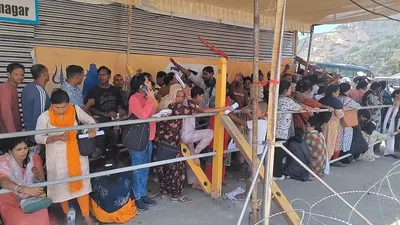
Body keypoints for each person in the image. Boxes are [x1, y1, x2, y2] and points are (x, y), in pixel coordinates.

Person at [35, 89, 97, 225]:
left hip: (77, 156)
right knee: (62, 187)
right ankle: (66, 214)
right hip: (57, 159)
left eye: (64, 107)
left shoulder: (75, 110)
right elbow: (38, 137)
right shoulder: (44, 117)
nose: (62, 110)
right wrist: (54, 138)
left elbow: (91, 121)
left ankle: (86, 216)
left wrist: (92, 129)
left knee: (82, 185)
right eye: (58, 107)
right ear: (51, 104)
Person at [0, 138, 56, 225]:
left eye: (25, 148)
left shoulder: (34, 157)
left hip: (31, 196)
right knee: (21, 222)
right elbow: (3, 181)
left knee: (41, 218)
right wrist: (23, 189)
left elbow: (41, 180)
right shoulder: (4, 160)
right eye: (19, 149)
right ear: (10, 152)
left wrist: (37, 174)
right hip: (10, 197)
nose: (24, 152)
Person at [182, 86, 228, 189]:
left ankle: (192, 181)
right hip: (187, 135)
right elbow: (203, 110)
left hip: (187, 134)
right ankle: (196, 153)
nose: (202, 99)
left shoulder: (188, 103)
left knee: (190, 158)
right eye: (201, 96)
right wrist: (222, 109)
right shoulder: (190, 103)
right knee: (210, 133)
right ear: (197, 96)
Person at [156, 89, 194, 204]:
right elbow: (192, 109)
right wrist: (189, 96)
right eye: (178, 96)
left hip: (161, 142)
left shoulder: (164, 103)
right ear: (173, 96)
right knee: (176, 169)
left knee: (164, 167)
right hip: (170, 143)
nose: (180, 99)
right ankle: (176, 195)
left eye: (182, 97)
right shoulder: (175, 106)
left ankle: (165, 192)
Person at [128, 74, 158, 211]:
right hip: (138, 139)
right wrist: (151, 99)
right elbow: (142, 116)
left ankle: (143, 193)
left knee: (145, 168)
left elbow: (151, 115)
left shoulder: (147, 98)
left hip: (149, 138)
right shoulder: (134, 99)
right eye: (147, 82)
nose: (150, 83)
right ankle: (137, 196)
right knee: (137, 169)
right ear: (141, 86)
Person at [228, 101, 268, 196]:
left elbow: (243, 123)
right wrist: (248, 113)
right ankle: (250, 192)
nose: (253, 111)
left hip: (253, 151)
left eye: (256, 110)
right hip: (258, 150)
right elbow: (253, 121)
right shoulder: (264, 120)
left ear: (262, 112)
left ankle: (248, 193)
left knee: (250, 175)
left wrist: (230, 115)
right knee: (252, 173)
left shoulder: (258, 122)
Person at [89, 146, 137, 224]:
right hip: (123, 212)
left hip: (103, 215)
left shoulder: (97, 177)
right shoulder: (125, 175)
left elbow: (92, 192)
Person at [275, 80, 309, 180]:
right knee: (279, 154)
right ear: (286, 90)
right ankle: (276, 174)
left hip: (275, 129)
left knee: (277, 152)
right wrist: (308, 108)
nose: (291, 90)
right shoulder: (286, 100)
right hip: (282, 130)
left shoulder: (276, 99)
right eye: (290, 88)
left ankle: (275, 172)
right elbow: (298, 107)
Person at [86, 66, 125, 148]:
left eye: (104, 75)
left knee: (114, 145)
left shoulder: (115, 90)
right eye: (99, 75)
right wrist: (104, 114)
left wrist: (120, 109)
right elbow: (89, 109)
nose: (101, 77)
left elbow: (119, 103)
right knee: (100, 147)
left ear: (109, 76)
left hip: (114, 121)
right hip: (100, 122)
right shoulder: (93, 90)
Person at [21, 64, 51, 147]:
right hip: (37, 136)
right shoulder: (39, 91)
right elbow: (40, 117)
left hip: (30, 133)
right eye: (47, 72)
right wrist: (42, 138)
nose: (49, 74)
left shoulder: (26, 88)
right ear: (44, 73)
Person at [318, 85, 345, 166]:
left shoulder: (321, 100)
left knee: (323, 141)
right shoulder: (336, 102)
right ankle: (327, 160)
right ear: (333, 93)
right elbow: (340, 115)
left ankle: (321, 158)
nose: (339, 93)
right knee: (330, 141)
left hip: (322, 123)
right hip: (332, 124)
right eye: (338, 91)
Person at [0, 63, 24, 134]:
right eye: (16, 74)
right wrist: (13, 135)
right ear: (9, 75)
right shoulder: (5, 89)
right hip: (8, 134)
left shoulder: (12, 88)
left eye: (22, 75)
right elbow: (6, 114)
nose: (20, 77)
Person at [337, 83, 361, 154]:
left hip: (337, 122)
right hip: (346, 123)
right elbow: (358, 106)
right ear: (346, 91)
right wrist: (350, 109)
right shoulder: (347, 99)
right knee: (345, 140)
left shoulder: (337, 98)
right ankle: (343, 156)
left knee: (337, 139)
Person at [382, 89, 400, 159]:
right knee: (392, 135)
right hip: (393, 122)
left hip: (396, 122)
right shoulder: (393, 103)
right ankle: (391, 151)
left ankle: (394, 150)